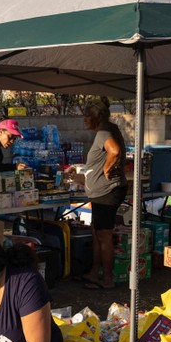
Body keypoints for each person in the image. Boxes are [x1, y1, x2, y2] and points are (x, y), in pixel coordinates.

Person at [68, 99, 128, 290]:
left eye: (87, 116)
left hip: (107, 193)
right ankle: (95, 273)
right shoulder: (107, 129)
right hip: (102, 192)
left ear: (98, 117)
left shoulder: (104, 132)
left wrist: (107, 169)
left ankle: (108, 278)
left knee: (103, 235)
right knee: (97, 233)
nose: (85, 120)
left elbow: (115, 151)